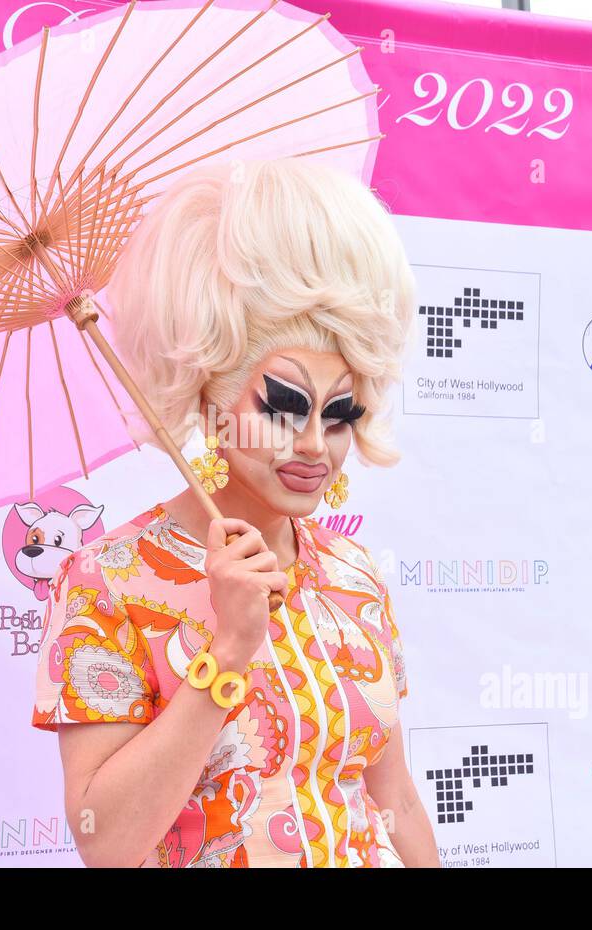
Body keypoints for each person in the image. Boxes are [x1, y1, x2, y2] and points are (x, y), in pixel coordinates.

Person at [31, 156, 439, 867]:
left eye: (341, 413)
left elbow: (395, 797)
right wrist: (226, 653)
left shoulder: (353, 574)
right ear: (210, 393)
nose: (315, 443)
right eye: (283, 407)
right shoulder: (109, 582)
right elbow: (107, 842)